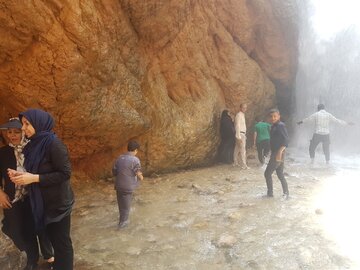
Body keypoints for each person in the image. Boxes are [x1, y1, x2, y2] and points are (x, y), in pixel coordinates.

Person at [8, 109, 74, 270]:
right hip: (43, 203)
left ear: (39, 123)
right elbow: (37, 170)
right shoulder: (34, 144)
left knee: (62, 244)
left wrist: (34, 178)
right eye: (23, 124)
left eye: (27, 124)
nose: (23, 128)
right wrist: (21, 174)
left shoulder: (54, 144)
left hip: (58, 205)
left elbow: (65, 174)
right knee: (53, 240)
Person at [0, 117, 54, 270]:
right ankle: (32, 259)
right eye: (9, 132)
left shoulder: (34, 149)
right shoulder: (3, 152)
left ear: (23, 132)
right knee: (19, 230)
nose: (12, 135)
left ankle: (50, 257)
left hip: (35, 196)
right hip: (14, 199)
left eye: (16, 131)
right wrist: (0, 193)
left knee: (41, 227)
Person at [112, 140, 143, 229]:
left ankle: (121, 222)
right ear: (135, 150)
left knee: (121, 207)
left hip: (118, 186)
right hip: (128, 187)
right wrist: (141, 177)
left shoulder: (119, 158)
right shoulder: (135, 160)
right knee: (126, 209)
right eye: (137, 151)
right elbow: (138, 173)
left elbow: (114, 172)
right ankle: (121, 229)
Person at [264, 109, 289, 198]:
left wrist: (279, 152)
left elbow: (286, 141)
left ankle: (270, 194)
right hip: (276, 152)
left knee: (267, 173)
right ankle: (286, 194)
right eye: (271, 116)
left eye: (275, 116)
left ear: (279, 116)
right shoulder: (274, 126)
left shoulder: (280, 125)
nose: (273, 118)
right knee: (280, 174)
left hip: (278, 153)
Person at [233, 103, 249, 169]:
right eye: (243, 108)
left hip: (242, 134)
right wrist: (238, 136)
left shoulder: (242, 115)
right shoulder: (239, 115)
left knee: (237, 149)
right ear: (240, 108)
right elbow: (237, 126)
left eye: (245, 108)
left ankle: (235, 162)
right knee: (243, 149)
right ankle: (244, 165)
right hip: (240, 134)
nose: (245, 109)